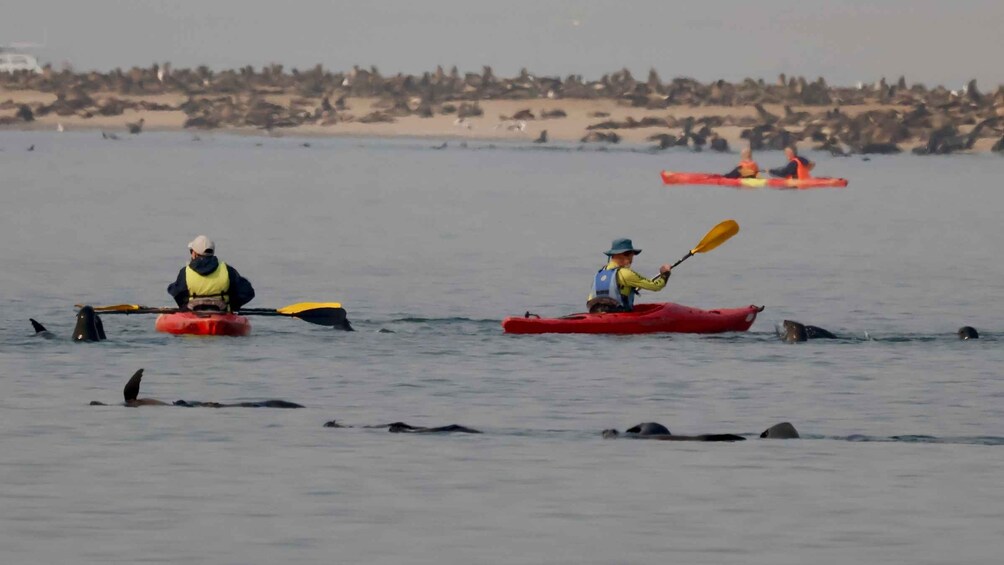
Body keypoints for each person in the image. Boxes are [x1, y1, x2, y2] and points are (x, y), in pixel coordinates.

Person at [167, 235, 255, 311]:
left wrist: (184, 307)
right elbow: (247, 292)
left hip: (193, 312)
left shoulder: (185, 272)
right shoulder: (228, 270)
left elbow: (177, 293)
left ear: (194, 253)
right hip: (222, 312)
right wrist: (232, 306)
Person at [587, 238, 671, 313]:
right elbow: (656, 286)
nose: (632, 259)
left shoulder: (599, 273)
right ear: (625, 254)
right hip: (616, 313)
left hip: (594, 311)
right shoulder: (626, 273)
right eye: (632, 255)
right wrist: (665, 274)